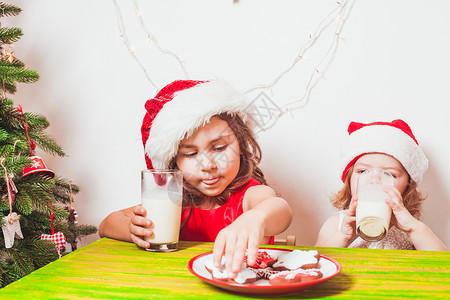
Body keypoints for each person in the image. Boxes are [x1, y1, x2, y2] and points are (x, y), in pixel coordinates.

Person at [99, 79, 293, 277]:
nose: (208, 165)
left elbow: (280, 209)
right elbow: (106, 224)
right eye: (191, 154)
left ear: (241, 145)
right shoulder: (174, 203)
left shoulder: (251, 196)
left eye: (219, 148)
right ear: (174, 162)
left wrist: (255, 218)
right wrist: (133, 230)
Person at [315, 119, 448, 251]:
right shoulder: (337, 225)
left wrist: (413, 228)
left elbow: (443, 265)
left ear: (408, 186)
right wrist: (343, 237)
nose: (375, 179)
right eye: (363, 171)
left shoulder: (409, 229)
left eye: (389, 174)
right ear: (349, 179)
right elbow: (313, 264)